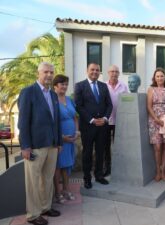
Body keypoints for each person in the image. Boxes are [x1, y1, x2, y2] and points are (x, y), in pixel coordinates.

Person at [18, 62, 62, 225]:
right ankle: (33, 214)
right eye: (46, 72)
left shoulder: (53, 95)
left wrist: (58, 142)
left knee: (47, 179)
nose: (49, 75)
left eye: (51, 72)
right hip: (35, 146)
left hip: (52, 145)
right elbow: (23, 122)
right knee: (33, 182)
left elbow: (56, 120)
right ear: (39, 73)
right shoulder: (28, 92)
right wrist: (25, 146)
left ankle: (45, 207)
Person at [74, 63, 113, 189]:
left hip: (102, 126)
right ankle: (87, 179)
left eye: (97, 70)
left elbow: (109, 105)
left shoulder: (103, 86)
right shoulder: (80, 86)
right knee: (87, 153)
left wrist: (105, 118)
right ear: (87, 71)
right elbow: (79, 106)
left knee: (101, 152)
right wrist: (91, 120)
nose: (95, 72)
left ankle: (99, 176)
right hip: (88, 126)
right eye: (92, 70)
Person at [53, 75, 79, 204]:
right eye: (62, 84)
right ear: (55, 85)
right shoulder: (52, 100)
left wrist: (77, 131)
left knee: (68, 166)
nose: (64, 86)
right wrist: (61, 137)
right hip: (60, 140)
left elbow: (75, 117)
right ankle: (57, 193)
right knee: (58, 167)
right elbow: (51, 122)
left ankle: (66, 190)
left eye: (66, 84)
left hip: (72, 139)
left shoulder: (69, 100)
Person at [147, 68, 165, 181]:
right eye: (157, 76)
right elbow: (148, 106)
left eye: (161, 76)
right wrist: (156, 119)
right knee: (157, 146)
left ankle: (164, 171)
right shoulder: (151, 89)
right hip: (154, 120)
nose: (159, 78)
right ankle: (158, 170)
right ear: (154, 78)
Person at [104, 65, 128, 176]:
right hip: (106, 120)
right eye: (112, 71)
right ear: (108, 73)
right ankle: (107, 167)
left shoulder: (124, 86)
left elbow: (128, 102)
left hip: (120, 121)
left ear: (119, 73)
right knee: (105, 146)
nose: (114, 73)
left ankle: (120, 168)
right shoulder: (103, 85)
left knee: (120, 146)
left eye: (116, 71)